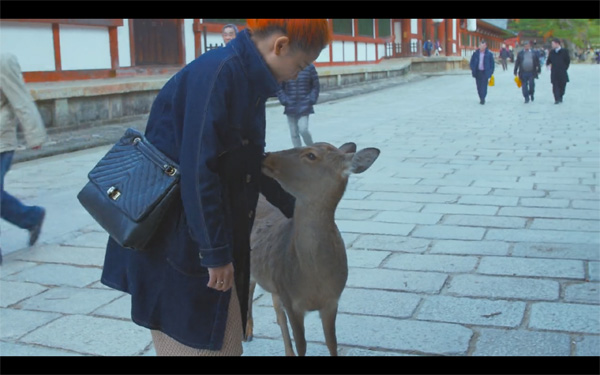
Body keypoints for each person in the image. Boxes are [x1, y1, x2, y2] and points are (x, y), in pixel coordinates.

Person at [100, 19, 331, 356]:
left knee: (221, 341)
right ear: (279, 46)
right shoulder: (219, 74)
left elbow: (247, 160)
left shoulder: (246, 79)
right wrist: (215, 254)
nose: (297, 75)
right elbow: (198, 171)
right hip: (177, 236)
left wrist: (302, 208)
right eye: (299, 65)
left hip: (203, 229)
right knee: (200, 343)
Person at [0, 53, 47, 265]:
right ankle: (31, 217)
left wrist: (34, 134)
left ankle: (31, 217)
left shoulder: (3, 60)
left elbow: (20, 98)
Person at [277, 63, 319, 148]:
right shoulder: (285, 66)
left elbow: (315, 85)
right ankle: (298, 153)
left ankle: (312, 148)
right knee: (294, 133)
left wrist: (311, 98)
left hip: (305, 104)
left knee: (303, 129)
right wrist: (284, 99)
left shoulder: (309, 67)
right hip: (290, 105)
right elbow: (279, 87)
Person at [469, 40, 495, 105]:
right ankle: (480, 96)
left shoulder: (489, 54)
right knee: (478, 86)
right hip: (478, 72)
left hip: (485, 72)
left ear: (485, 46)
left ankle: (483, 98)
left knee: (484, 86)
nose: (481, 46)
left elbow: (492, 64)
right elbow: (472, 62)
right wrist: (472, 68)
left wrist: (490, 72)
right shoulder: (475, 53)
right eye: (480, 45)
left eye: (483, 45)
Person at [546, 38, 570, 104]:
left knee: (562, 85)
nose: (552, 45)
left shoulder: (564, 51)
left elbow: (567, 61)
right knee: (555, 86)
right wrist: (548, 65)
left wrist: (564, 68)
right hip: (554, 72)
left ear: (557, 44)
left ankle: (560, 96)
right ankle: (557, 99)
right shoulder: (552, 52)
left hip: (562, 71)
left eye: (553, 44)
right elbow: (548, 61)